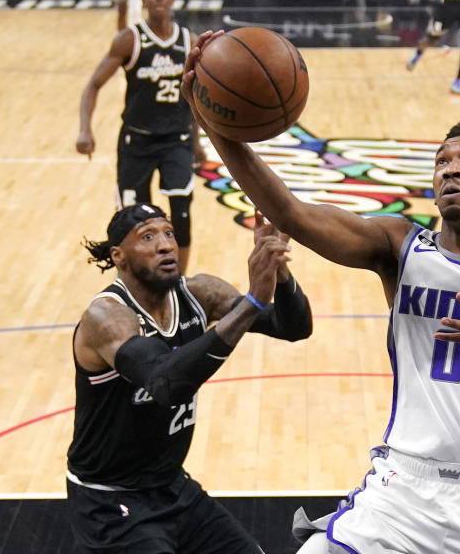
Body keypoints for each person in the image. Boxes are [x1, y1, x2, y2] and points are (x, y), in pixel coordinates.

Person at [180, 31, 460, 554]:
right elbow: (292, 213)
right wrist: (210, 116)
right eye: (442, 161)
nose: (452, 167)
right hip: (400, 490)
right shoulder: (398, 245)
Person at [67, 203, 313, 553]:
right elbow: (166, 384)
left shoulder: (199, 294)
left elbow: (294, 327)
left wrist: (278, 271)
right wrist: (252, 301)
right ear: (119, 256)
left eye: (168, 232)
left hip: (171, 485)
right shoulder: (106, 317)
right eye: (148, 236)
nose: (166, 244)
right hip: (110, 501)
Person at [77, 0, 203, 274]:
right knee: (135, 219)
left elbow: (197, 98)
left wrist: (197, 142)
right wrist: (85, 128)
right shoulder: (130, 39)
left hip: (176, 140)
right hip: (137, 141)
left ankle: (177, 285)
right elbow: (93, 85)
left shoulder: (190, 42)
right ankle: (137, 281)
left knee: (181, 214)